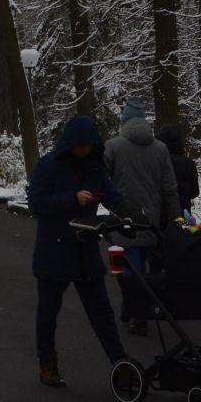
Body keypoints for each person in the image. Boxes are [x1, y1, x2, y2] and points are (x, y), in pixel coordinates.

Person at [25, 115, 131, 388]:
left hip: (85, 249)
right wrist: (72, 198)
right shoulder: (50, 165)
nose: (84, 150)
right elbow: (36, 202)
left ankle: (120, 362)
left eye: (89, 145)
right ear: (69, 143)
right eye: (80, 145)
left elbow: (111, 194)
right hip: (55, 250)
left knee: (101, 310)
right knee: (48, 311)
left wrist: (128, 211)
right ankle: (46, 361)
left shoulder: (95, 168)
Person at [105, 96, 180, 270]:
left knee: (130, 275)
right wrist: (177, 220)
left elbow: (99, 182)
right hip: (150, 221)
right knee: (150, 274)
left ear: (125, 120)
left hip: (122, 222)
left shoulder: (113, 147)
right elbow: (170, 189)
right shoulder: (161, 149)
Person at [155, 123, 199, 218]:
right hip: (183, 213)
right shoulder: (189, 163)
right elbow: (195, 191)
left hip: (160, 214)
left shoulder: (156, 162)